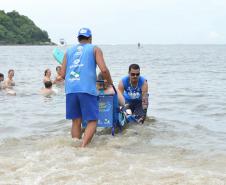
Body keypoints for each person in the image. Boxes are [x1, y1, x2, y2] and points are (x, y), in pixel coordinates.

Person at [61, 27, 113, 147]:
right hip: (87, 89)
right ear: (90, 38)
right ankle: (83, 147)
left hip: (70, 89)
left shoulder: (68, 51)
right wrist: (109, 82)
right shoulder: (94, 49)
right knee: (93, 120)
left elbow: (63, 74)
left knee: (76, 121)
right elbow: (103, 69)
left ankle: (75, 146)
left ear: (78, 39)